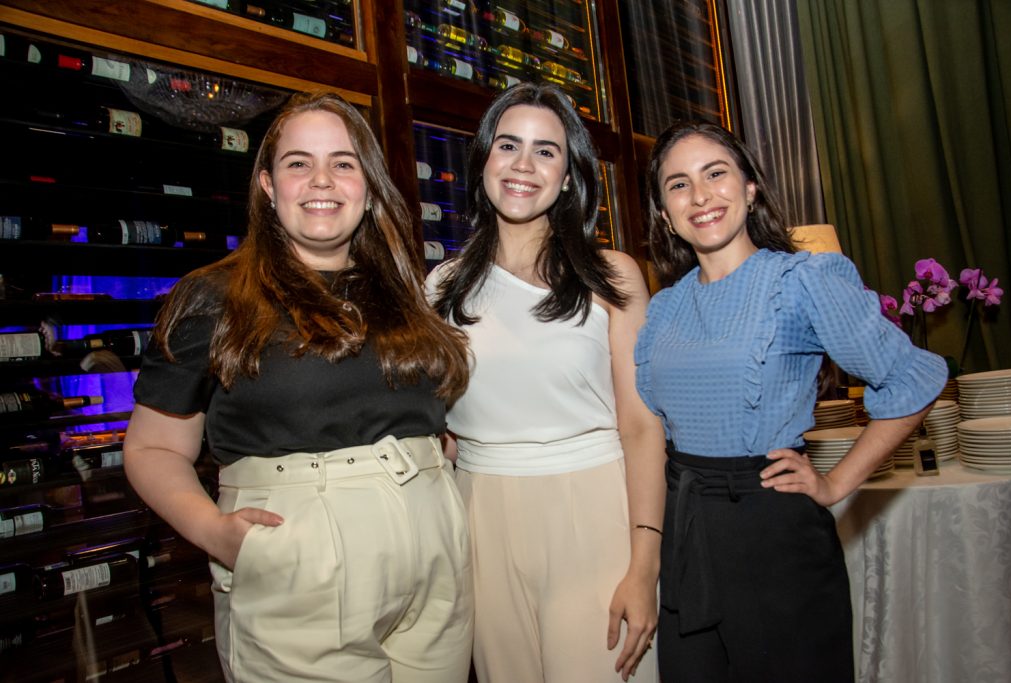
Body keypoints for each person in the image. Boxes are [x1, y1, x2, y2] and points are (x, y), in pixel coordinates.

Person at [123, 91, 473, 683]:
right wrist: (216, 535)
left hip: (435, 560)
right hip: (299, 562)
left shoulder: (403, 290)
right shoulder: (214, 296)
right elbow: (152, 449)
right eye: (297, 163)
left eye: (343, 162)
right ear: (266, 184)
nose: (322, 180)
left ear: (367, 183)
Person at [636, 119, 948, 682]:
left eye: (716, 174)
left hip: (772, 528)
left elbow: (912, 379)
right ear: (663, 210)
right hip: (686, 528)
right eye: (678, 184)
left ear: (750, 187)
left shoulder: (802, 280)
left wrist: (835, 482)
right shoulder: (664, 309)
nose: (700, 196)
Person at [427, 82, 664, 683]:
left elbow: (640, 427)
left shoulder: (613, 277)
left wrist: (644, 565)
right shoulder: (440, 288)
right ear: (483, 158)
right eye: (508, 145)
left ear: (569, 175)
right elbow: (440, 431)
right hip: (479, 515)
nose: (523, 165)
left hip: (592, 513)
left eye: (546, 151)